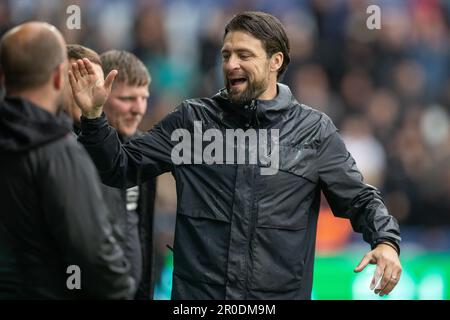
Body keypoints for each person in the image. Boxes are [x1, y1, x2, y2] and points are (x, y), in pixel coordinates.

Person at [71, 12, 402, 300]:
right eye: (226, 54)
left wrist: (386, 240)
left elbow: (359, 199)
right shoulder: (191, 121)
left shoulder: (314, 131)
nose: (231, 64)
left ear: (276, 61)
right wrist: (94, 117)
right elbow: (119, 168)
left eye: (244, 55)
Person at [0, 22, 134, 299]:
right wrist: (122, 290)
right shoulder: (58, 151)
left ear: (3, 76)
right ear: (59, 79)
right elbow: (93, 250)